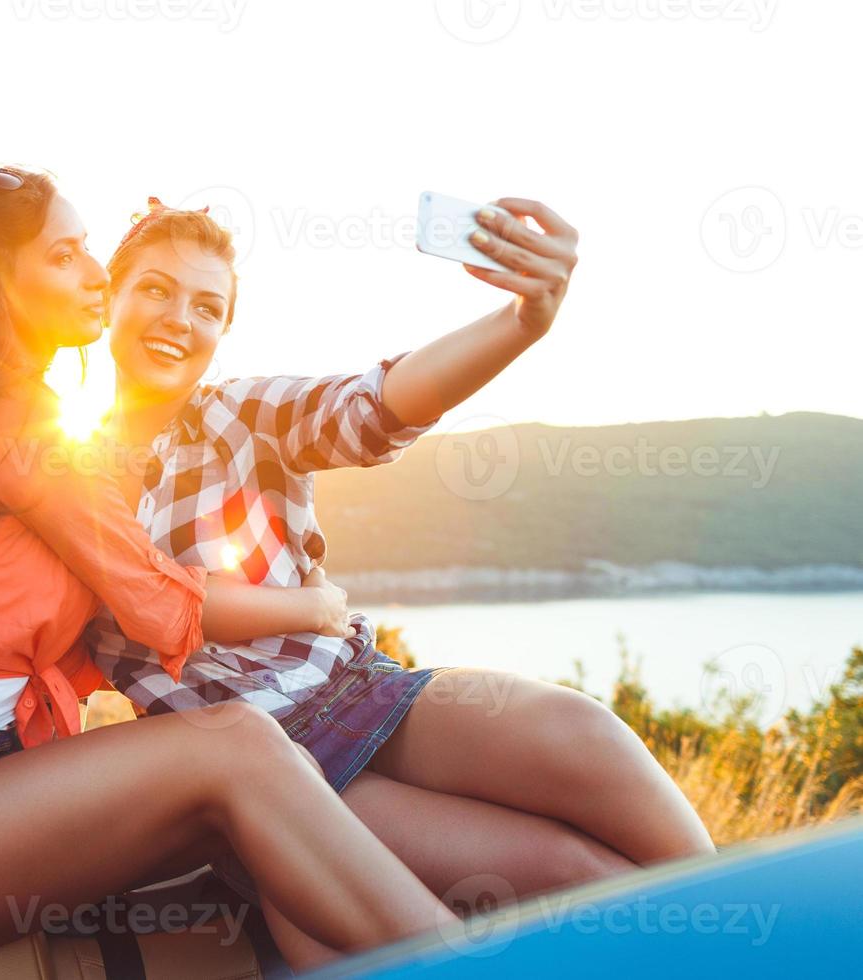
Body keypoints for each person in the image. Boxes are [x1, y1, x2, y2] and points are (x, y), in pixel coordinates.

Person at [0, 167, 457, 962]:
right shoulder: (14, 422)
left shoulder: (6, 415)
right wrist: (317, 610)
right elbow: (154, 602)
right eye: (65, 256)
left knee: (259, 828)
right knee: (236, 744)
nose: (94, 274)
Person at [85, 198, 717, 970]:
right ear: (108, 297)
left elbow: (375, 404)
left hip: (361, 686)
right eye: (155, 289)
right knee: (570, 873)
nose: (179, 318)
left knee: (582, 733)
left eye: (206, 305)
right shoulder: (60, 482)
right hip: (268, 766)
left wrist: (522, 322)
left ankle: (765, 936)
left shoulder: (239, 414)